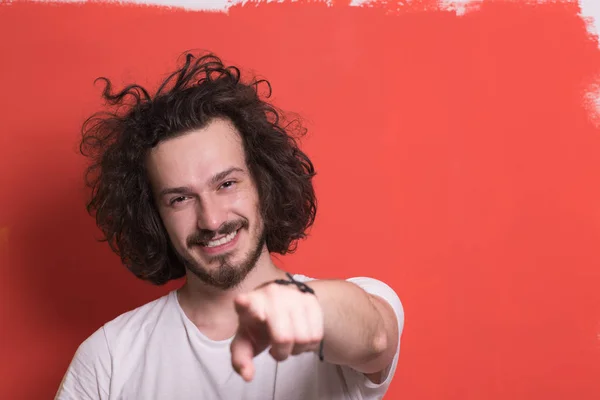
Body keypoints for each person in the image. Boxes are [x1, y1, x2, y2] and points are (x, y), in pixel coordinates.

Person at [55, 52, 404, 400]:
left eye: (226, 184)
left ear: (262, 183)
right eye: (180, 199)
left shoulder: (357, 305)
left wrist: (304, 306)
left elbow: (375, 339)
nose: (212, 220)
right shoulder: (110, 357)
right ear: (153, 216)